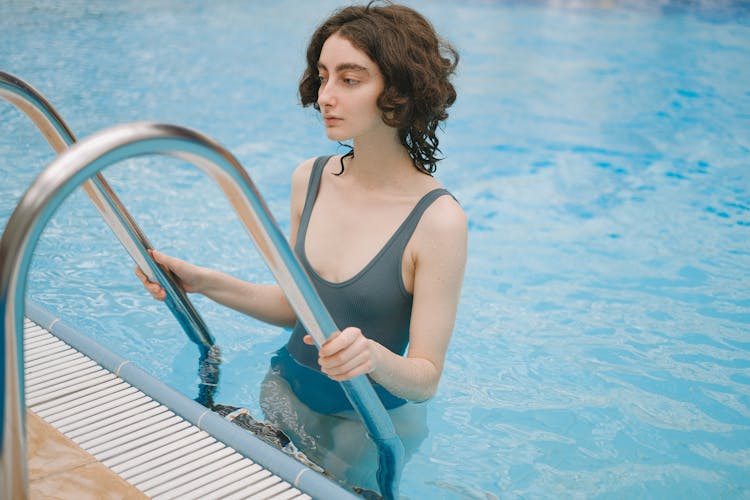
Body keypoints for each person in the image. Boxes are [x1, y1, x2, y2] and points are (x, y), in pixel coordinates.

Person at [136, 1, 466, 492]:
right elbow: (299, 308)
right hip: (284, 391)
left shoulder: (438, 221)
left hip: (368, 429)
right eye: (322, 76)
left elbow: (425, 377)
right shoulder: (309, 179)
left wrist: (369, 356)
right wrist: (203, 283)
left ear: (398, 92)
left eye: (350, 80)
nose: (325, 96)